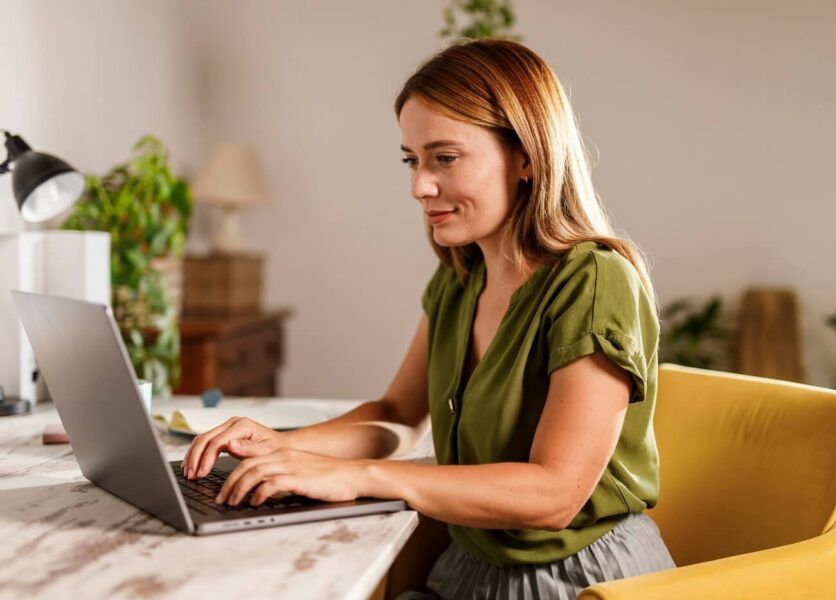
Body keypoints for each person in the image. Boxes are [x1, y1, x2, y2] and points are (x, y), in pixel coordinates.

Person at [181, 38, 675, 598]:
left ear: (527, 157)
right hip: (468, 565)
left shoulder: (593, 281)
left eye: (445, 157)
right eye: (412, 160)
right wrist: (282, 448)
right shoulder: (460, 278)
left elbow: (555, 495)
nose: (420, 186)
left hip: (579, 580)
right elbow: (397, 414)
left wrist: (357, 476)